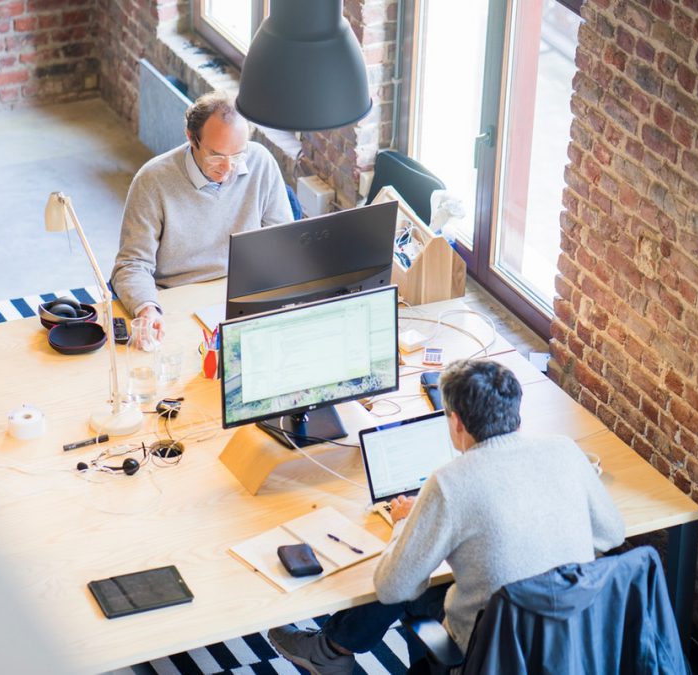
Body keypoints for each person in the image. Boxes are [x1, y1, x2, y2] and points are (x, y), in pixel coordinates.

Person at [268, 359, 626, 675]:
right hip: (572, 646)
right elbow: (611, 534)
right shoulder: (564, 450)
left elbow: (393, 587)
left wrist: (404, 523)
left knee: (410, 576)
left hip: (488, 656)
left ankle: (330, 651)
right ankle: (331, 649)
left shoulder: (451, 482)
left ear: (456, 422)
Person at [110, 91, 293, 341]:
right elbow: (131, 265)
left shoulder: (261, 161)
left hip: (241, 295)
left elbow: (283, 244)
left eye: (237, 155)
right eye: (216, 155)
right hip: (176, 300)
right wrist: (147, 309)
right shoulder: (152, 180)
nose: (228, 168)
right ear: (191, 138)